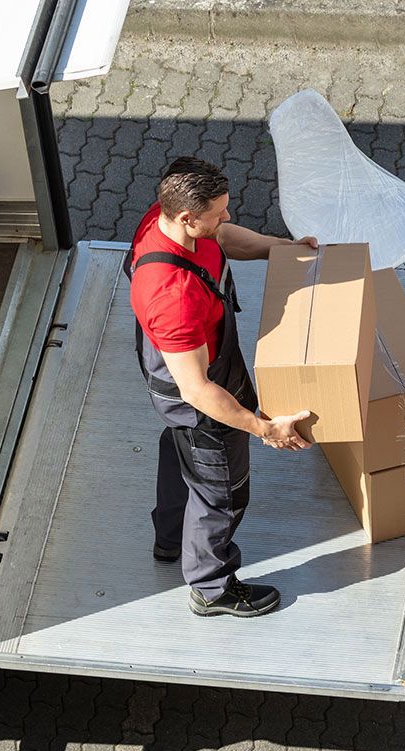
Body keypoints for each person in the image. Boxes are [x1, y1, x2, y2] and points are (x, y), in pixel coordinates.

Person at [128, 156, 316, 618]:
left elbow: (225, 239)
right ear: (188, 217)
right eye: (219, 211)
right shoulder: (172, 296)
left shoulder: (166, 218)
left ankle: (170, 539)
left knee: (182, 452)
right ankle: (211, 588)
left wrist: (281, 247)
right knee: (221, 490)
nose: (227, 217)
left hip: (198, 364)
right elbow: (196, 390)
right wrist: (262, 428)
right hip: (197, 391)